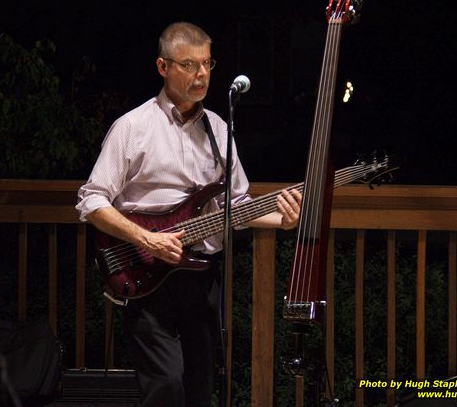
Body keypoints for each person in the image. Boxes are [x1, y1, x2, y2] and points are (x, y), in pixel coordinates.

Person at [76, 21, 301, 407]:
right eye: (189, 65)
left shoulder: (218, 128)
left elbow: (236, 206)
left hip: (201, 274)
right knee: (164, 385)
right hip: (144, 270)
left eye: (207, 64)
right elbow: (92, 201)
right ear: (163, 67)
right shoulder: (132, 127)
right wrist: (146, 239)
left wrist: (282, 219)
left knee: (200, 386)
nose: (202, 75)